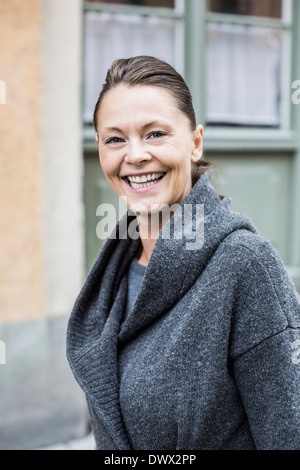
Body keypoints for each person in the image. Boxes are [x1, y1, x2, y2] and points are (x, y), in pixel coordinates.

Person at [67, 56, 300, 450]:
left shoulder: (244, 265)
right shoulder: (116, 270)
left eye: (156, 134)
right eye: (115, 139)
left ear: (194, 143)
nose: (135, 155)